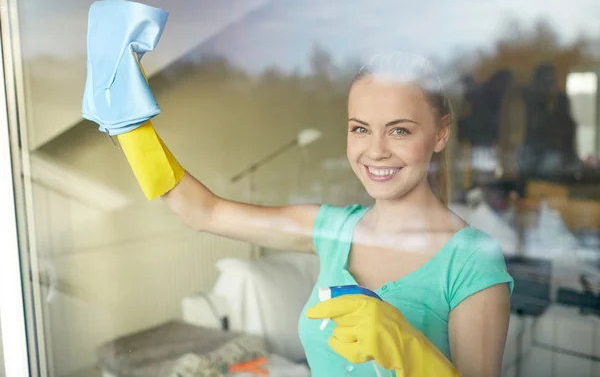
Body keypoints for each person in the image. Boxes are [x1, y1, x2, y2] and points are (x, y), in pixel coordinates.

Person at [101, 51, 513, 376]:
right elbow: (205, 212)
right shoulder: (332, 229)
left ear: (440, 133)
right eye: (360, 128)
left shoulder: (472, 259)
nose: (375, 150)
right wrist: (131, 130)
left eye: (399, 130)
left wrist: (406, 346)